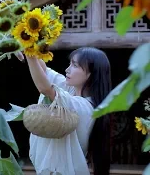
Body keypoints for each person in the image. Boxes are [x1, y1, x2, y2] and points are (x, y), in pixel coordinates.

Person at [16, 47, 112, 175]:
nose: (67, 69)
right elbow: (44, 70)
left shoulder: (85, 107)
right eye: (70, 64)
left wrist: (29, 56)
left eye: (75, 65)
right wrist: (26, 45)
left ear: (91, 74)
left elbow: (45, 88)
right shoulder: (71, 91)